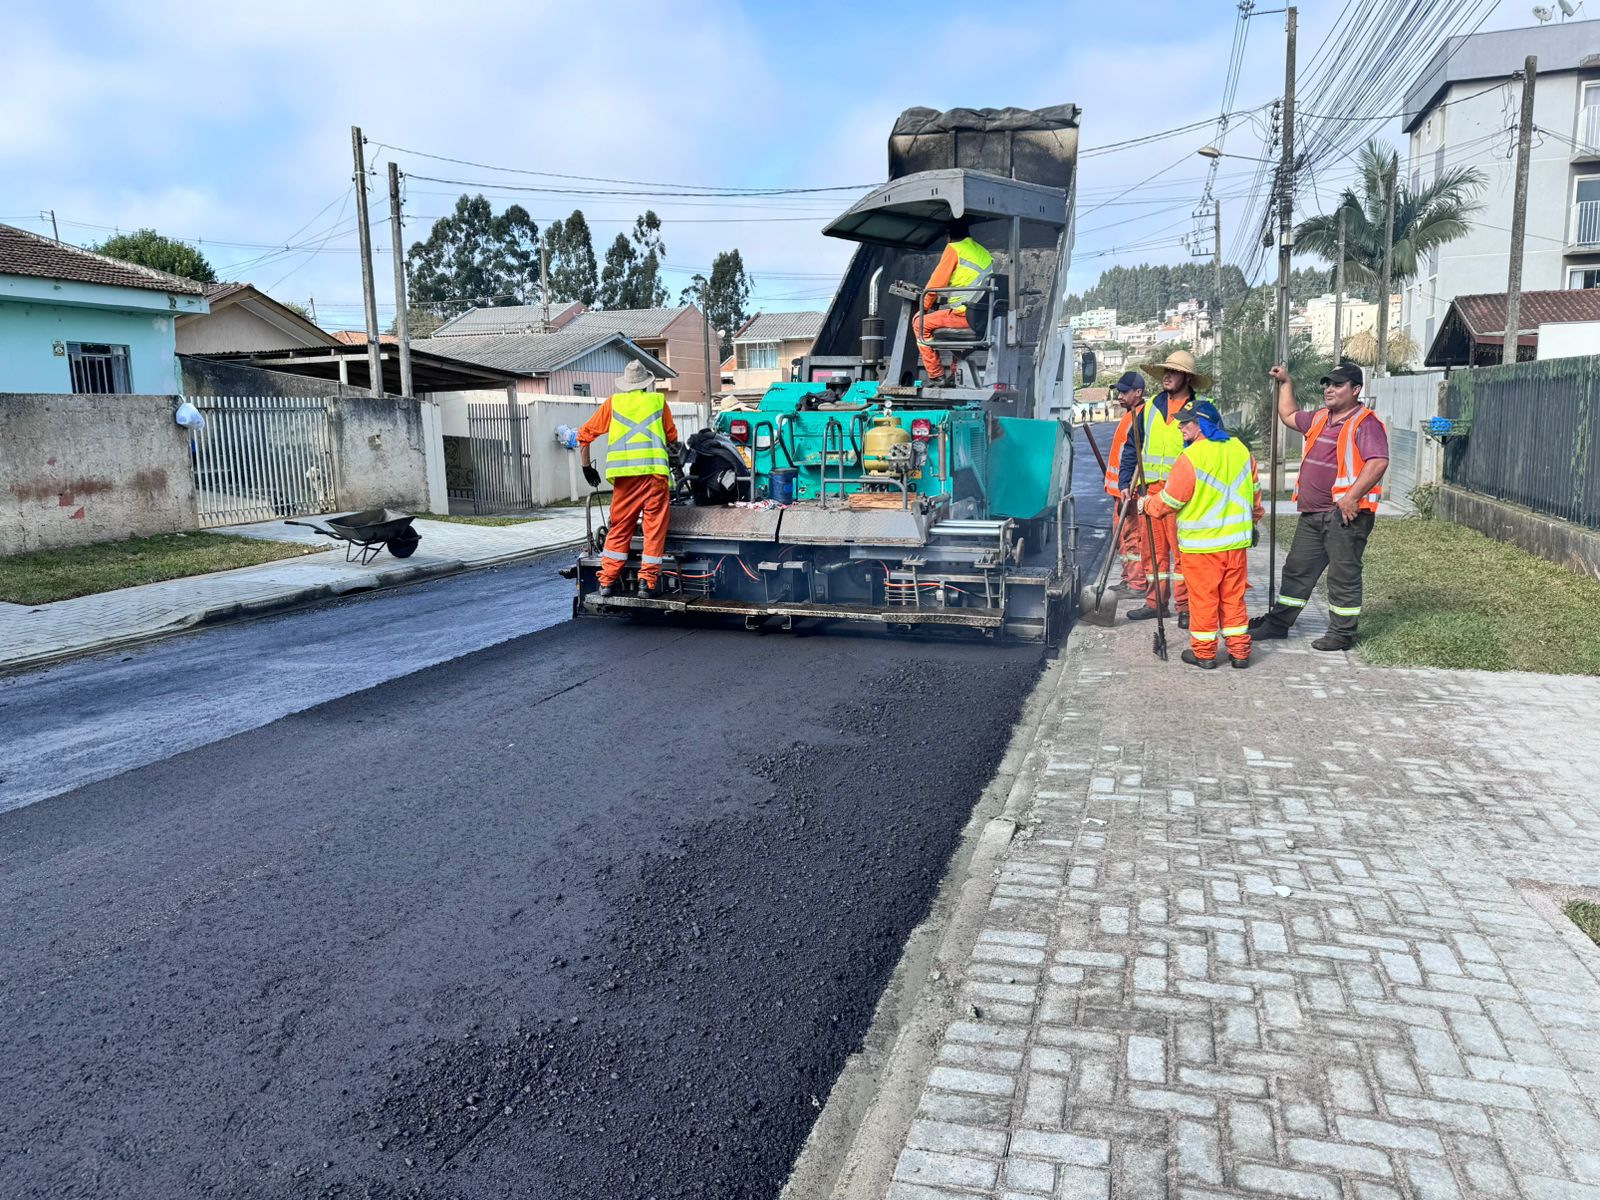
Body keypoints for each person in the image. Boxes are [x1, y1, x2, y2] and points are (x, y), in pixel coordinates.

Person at [1250, 361, 1389, 651]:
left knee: (1343, 576)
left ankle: (1342, 634)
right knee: (1297, 571)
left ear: (1356, 389)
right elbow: (1288, 414)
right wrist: (1286, 382)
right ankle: (1278, 624)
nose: (1330, 389)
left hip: (1345, 516)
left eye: (1338, 384)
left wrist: (1351, 496)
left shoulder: (1365, 423)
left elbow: (1378, 461)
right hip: (1313, 514)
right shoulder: (1319, 418)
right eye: (1327, 384)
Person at [1140, 399, 1262, 669]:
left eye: (1187, 422)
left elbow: (1171, 500)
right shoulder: (1241, 451)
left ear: (1203, 423)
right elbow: (1254, 493)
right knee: (1233, 597)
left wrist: (1147, 504)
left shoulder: (1191, 457)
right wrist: (1252, 522)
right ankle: (1239, 652)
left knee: (1204, 599)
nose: (1181, 426)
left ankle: (1205, 653)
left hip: (1203, 547)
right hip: (1235, 544)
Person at [1119, 349, 1215, 627]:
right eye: (1165, 372)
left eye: (1173, 372)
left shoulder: (1201, 410)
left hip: (1184, 494)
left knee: (1184, 552)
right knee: (1152, 551)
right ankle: (1155, 603)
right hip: (1151, 493)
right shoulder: (1149, 409)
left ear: (1187, 378)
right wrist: (1125, 482)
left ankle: (1186, 607)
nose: (1167, 376)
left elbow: (1213, 450)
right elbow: (1131, 447)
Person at [578, 360, 682, 598]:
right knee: (653, 528)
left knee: (620, 527)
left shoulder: (613, 403)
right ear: (647, 384)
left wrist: (586, 467)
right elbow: (672, 438)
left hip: (625, 479)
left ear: (624, 385)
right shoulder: (658, 402)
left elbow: (584, 435)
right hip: (655, 475)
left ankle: (607, 582)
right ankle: (647, 582)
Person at [912, 218, 993, 384]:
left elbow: (936, 284)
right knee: (955, 337)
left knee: (919, 322)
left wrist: (924, 306)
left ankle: (936, 376)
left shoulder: (954, 249)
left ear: (948, 236)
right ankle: (956, 376)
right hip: (984, 317)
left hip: (964, 316)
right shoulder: (983, 252)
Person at [1103, 371, 1149, 594]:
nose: (1119, 395)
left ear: (1138, 392)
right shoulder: (1129, 414)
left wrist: (1129, 487)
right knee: (1122, 536)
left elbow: (1135, 455)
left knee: (1132, 537)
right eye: (1118, 391)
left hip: (1131, 492)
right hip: (1120, 491)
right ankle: (1128, 578)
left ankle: (1137, 583)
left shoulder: (1142, 417)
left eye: (1124, 392)